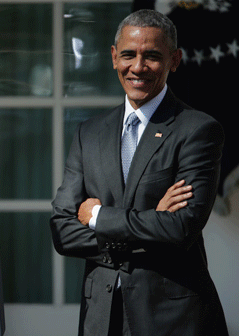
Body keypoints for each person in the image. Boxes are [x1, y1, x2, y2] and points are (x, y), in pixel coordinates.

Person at [50, 9, 228, 335]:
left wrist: (99, 217)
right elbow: (63, 231)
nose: (138, 67)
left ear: (174, 60)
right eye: (129, 55)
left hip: (172, 318)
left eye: (152, 56)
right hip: (100, 318)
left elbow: (180, 229)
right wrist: (151, 221)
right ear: (114, 57)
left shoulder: (199, 130)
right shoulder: (88, 133)